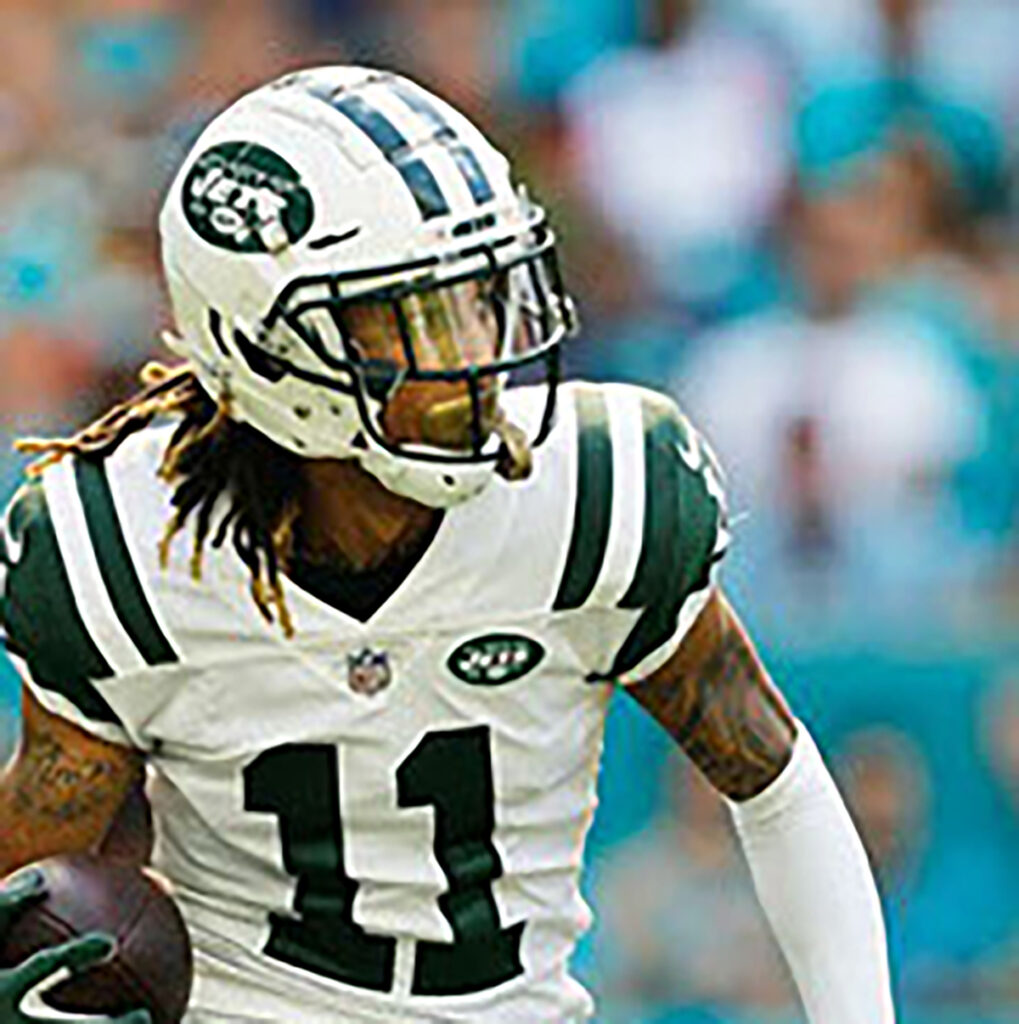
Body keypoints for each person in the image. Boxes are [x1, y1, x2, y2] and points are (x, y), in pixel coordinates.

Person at [0, 65, 894, 1023]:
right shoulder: (129, 551)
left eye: (478, 299)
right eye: (417, 320)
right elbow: (33, 880)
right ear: (264, 349)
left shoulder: (593, 494)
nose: (472, 361)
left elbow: (776, 784)